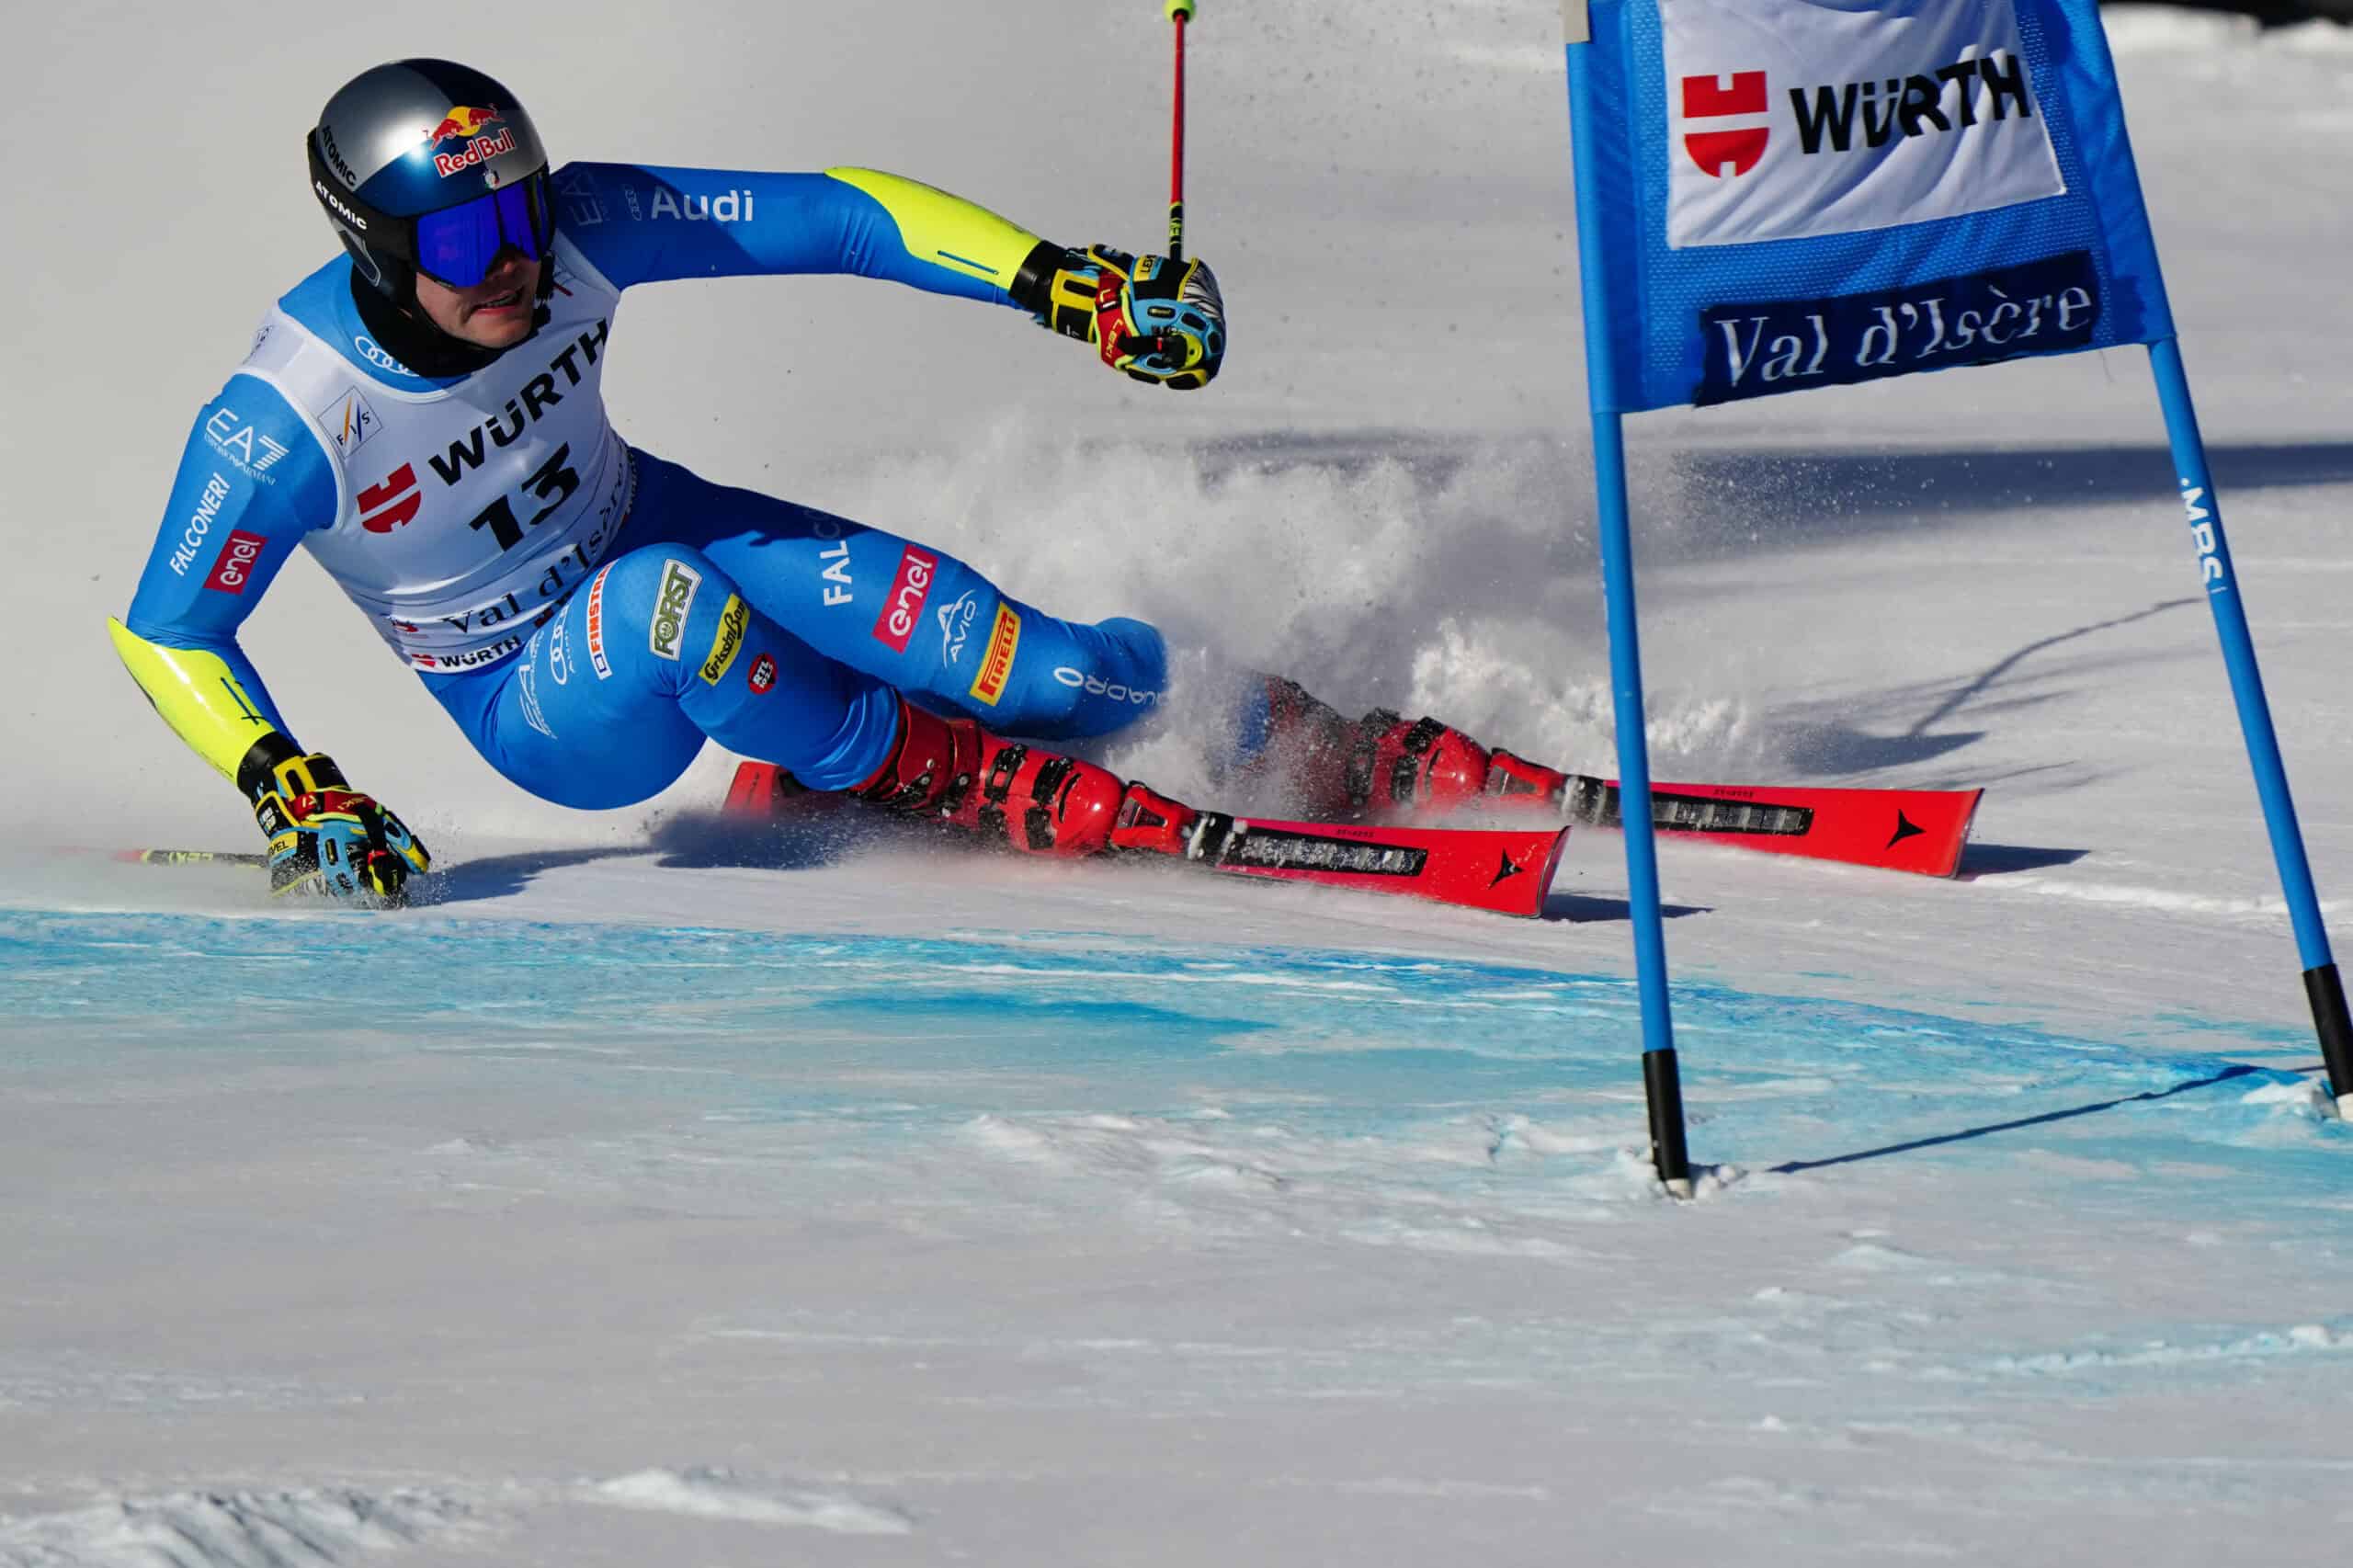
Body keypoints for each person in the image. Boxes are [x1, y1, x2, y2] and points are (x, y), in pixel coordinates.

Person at [113, 58, 1567, 904]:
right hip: (538, 697)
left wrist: (1063, 286)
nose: (508, 255)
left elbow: (841, 218)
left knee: (1037, 659)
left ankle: (1288, 725)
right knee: (669, 606)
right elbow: (165, 626)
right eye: (457, 238)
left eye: (520, 207)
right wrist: (286, 784)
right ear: (375, 249)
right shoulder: (288, 415)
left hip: (666, 532)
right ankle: (920, 773)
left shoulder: (575, 233)